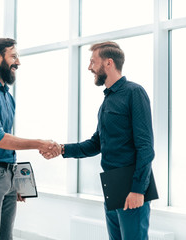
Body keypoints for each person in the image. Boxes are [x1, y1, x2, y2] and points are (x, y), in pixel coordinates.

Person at [42, 41, 155, 240]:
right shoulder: (108, 99)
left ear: (109, 63)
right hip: (112, 184)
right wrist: (61, 149)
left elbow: (146, 147)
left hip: (131, 185)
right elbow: (96, 143)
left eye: (93, 62)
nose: (89, 67)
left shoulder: (134, 93)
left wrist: (138, 190)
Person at [0, 38, 60, 240]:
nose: (18, 62)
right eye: (14, 56)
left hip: (7, 174)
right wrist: (39, 143)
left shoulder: (8, 97)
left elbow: (8, 141)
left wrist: (15, 180)